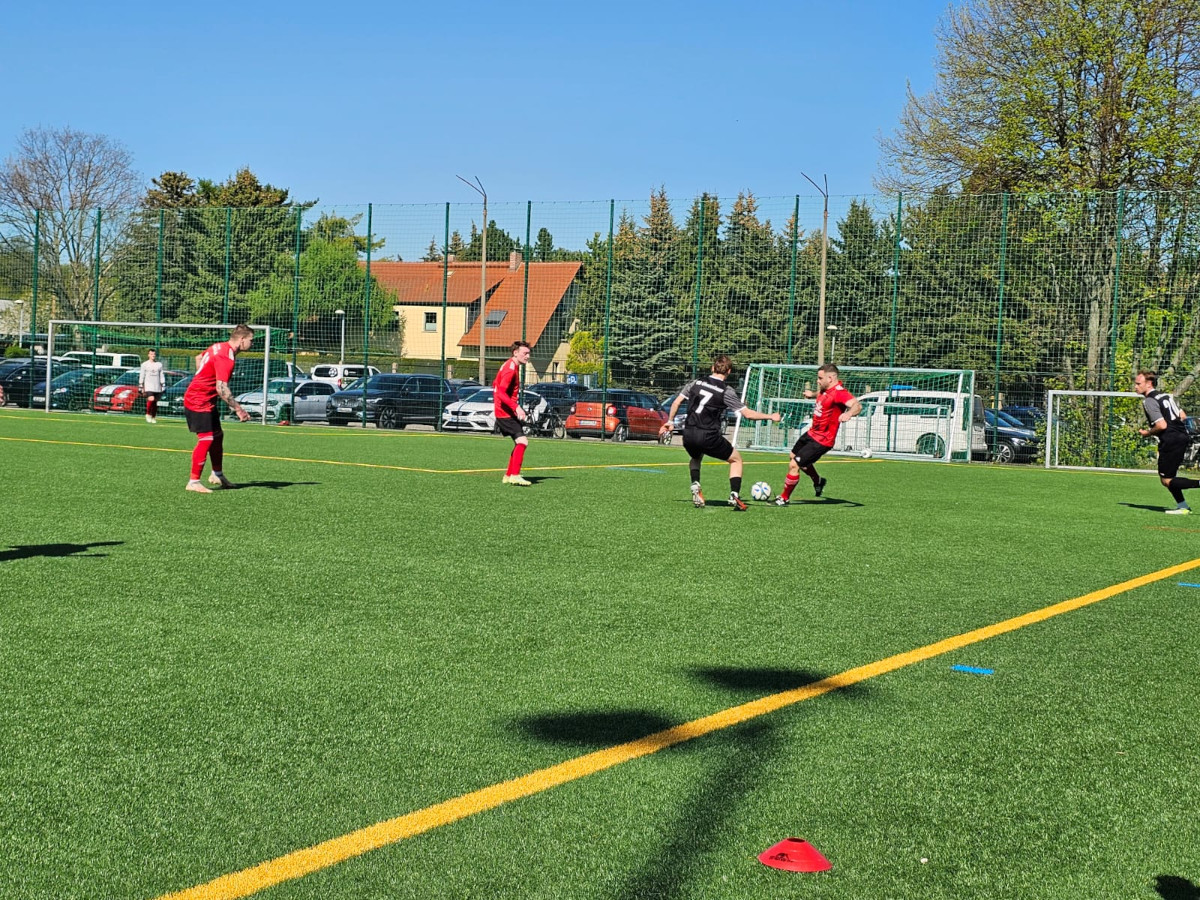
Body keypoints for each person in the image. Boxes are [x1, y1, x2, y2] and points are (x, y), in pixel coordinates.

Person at [662, 354, 782, 511]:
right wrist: (770, 416)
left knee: (695, 457)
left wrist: (670, 422)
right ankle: (734, 494)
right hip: (708, 435)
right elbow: (748, 414)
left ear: (712, 368)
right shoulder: (726, 391)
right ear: (729, 371)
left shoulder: (695, 383)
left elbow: (677, 402)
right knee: (736, 460)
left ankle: (695, 483)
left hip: (689, 433)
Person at [775, 363, 862, 506]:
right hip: (811, 433)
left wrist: (849, 413)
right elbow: (822, 394)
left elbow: (857, 405)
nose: (818, 380)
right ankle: (818, 481)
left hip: (823, 440)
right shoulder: (825, 389)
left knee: (794, 464)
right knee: (793, 456)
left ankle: (784, 498)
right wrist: (812, 394)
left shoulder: (839, 392)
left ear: (830, 378)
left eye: (820, 378)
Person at [182, 324, 253, 493]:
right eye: (251, 340)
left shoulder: (218, 346)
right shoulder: (226, 357)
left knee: (218, 436)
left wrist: (202, 378)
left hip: (205, 398)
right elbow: (222, 388)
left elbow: (198, 357)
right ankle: (193, 481)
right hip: (198, 400)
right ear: (242, 340)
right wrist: (238, 409)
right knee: (206, 438)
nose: (252, 344)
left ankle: (217, 474)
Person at [1134, 369, 1199, 514]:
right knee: (1170, 477)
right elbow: (1182, 415)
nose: (1135, 386)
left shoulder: (1149, 401)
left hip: (1171, 440)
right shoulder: (1165, 396)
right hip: (1181, 437)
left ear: (1149, 384)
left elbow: (1161, 425)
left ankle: (1186, 502)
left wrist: (1147, 433)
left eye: (1138, 383)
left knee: (1167, 480)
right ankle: (1182, 506)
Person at [494, 340, 532, 486]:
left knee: (519, 442)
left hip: (505, 411)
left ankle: (509, 475)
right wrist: (516, 407)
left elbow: (495, 386)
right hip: (504, 413)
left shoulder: (511, 365)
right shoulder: (510, 369)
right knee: (522, 441)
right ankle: (514, 475)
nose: (528, 356)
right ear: (515, 353)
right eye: (525, 353)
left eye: (529, 353)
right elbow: (501, 392)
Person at [139, 348, 166, 423]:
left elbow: (161, 375)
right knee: (151, 399)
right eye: (151, 354)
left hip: (157, 386)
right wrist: (141, 385)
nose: (153, 355)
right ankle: (148, 414)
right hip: (148, 386)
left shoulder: (159, 364)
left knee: (155, 402)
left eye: (154, 354)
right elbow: (142, 375)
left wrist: (163, 384)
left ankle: (153, 417)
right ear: (148, 355)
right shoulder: (144, 364)